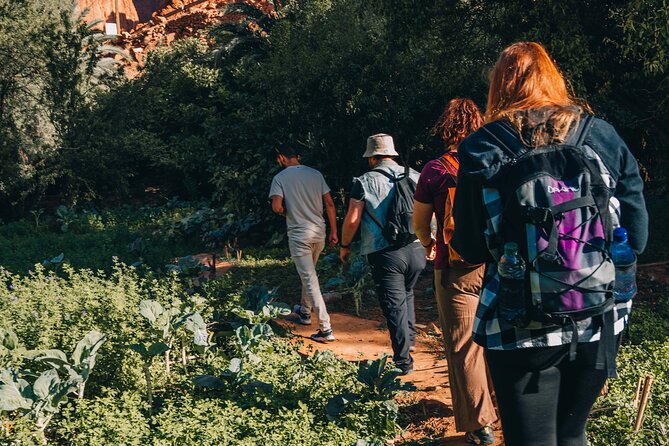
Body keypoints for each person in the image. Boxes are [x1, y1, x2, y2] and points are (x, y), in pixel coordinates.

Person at [452, 42, 648, 445]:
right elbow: (638, 237)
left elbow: (470, 247)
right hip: (597, 314)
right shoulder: (603, 136)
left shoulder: (481, 146)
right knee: (572, 434)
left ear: (498, 86)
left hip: (517, 319)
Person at [413, 98, 497, 445]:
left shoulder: (435, 169)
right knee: (497, 339)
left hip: (456, 267)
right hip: (496, 265)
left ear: (445, 127)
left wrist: (429, 246)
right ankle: (504, 404)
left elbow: (420, 224)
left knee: (464, 345)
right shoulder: (493, 163)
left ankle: (481, 425)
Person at [339, 134, 426, 374]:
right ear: (392, 154)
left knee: (394, 305)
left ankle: (403, 362)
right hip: (416, 247)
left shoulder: (364, 181)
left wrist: (345, 245)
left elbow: (353, 219)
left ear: (372, 158)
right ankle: (410, 342)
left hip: (385, 252)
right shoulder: (417, 176)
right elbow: (430, 211)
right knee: (407, 294)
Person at [269, 144, 339, 343]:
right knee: (309, 274)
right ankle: (305, 312)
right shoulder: (316, 174)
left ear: (281, 157)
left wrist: (285, 212)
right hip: (319, 232)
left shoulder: (280, 178)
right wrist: (334, 231)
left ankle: (325, 329)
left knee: (310, 279)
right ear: (298, 157)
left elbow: (276, 206)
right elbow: (330, 204)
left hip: (299, 235)